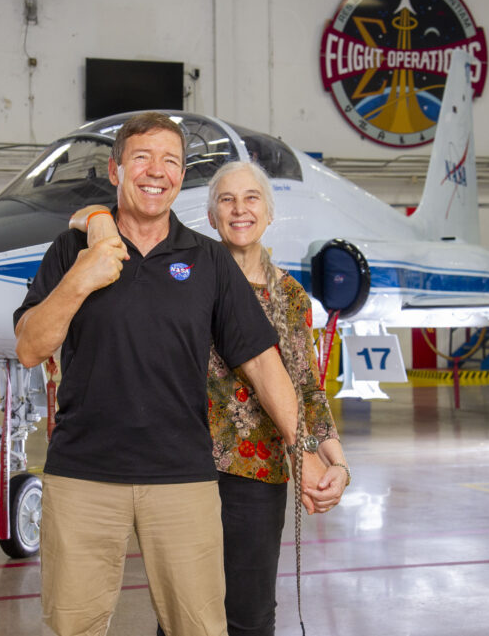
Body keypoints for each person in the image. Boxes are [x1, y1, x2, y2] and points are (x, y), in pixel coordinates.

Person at [13, 112, 325, 636]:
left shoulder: (208, 261)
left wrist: (305, 447)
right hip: (83, 475)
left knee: (200, 628)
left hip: (182, 479)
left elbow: (261, 359)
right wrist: (82, 278)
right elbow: (28, 347)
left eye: (170, 161)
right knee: (73, 626)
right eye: (141, 157)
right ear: (115, 170)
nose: (156, 171)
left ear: (181, 177)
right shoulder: (71, 250)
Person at [73, 161, 349, 636]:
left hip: (258, 474)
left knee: (250, 614)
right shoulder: (186, 276)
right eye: (227, 200)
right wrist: (98, 218)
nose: (240, 209)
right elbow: (84, 215)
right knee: (183, 614)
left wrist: (335, 463)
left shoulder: (291, 296)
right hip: (182, 470)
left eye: (251, 198)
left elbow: (306, 389)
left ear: (269, 212)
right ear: (211, 214)